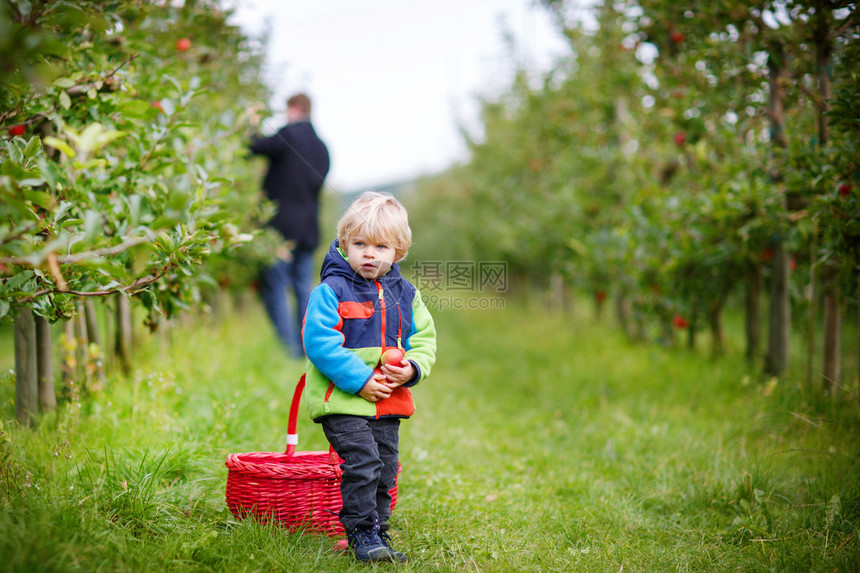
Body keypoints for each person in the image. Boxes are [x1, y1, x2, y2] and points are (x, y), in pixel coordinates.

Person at [302, 192, 436, 563]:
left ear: (399, 251)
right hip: (343, 398)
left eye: (381, 246)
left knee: (386, 466)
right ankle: (361, 532)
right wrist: (360, 379)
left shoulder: (406, 294)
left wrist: (411, 368)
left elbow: (423, 339)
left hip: (388, 401)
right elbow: (319, 342)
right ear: (345, 244)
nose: (370, 254)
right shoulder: (331, 290)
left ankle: (378, 530)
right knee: (362, 460)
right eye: (360, 244)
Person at [249, 93, 330, 358]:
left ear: (294, 108)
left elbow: (254, 146)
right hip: (308, 229)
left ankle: (289, 350)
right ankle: (308, 348)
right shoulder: (322, 148)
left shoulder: (288, 136)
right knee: (302, 285)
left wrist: (251, 121)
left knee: (275, 285)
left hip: (280, 229)